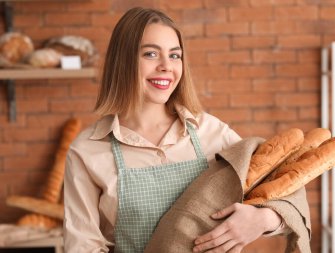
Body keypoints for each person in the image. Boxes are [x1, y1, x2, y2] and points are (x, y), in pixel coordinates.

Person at [64, 7, 309, 253]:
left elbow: (285, 191)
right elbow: (82, 246)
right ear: (123, 61)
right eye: (150, 54)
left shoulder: (211, 133)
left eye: (175, 55)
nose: (166, 66)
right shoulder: (88, 150)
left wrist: (262, 220)